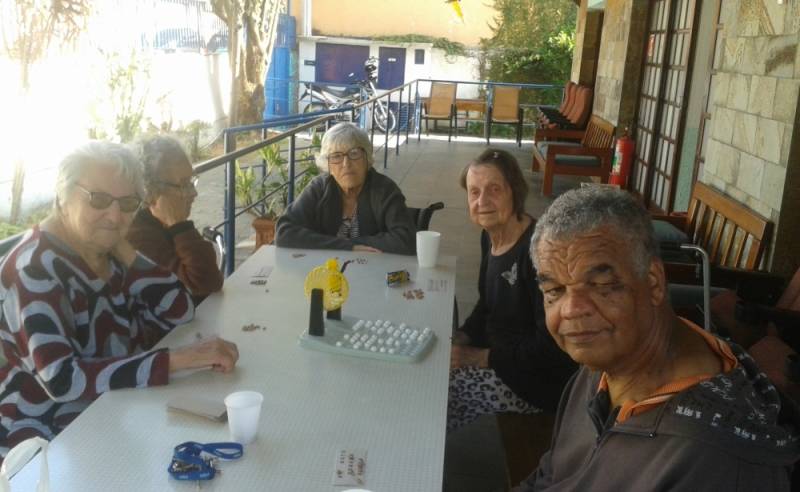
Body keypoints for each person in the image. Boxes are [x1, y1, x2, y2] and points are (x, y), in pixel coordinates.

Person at [516, 186, 800, 491]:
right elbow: (551, 474)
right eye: (554, 291)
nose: (572, 310)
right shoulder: (602, 365)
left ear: (653, 283)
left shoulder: (717, 459)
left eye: (601, 285)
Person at [0, 141, 239, 462]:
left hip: (119, 409)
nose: (114, 215)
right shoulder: (34, 268)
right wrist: (177, 359)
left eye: (127, 203)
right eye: (98, 200)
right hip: (46, 437)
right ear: (62, 197)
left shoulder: (105, 251)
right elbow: (62, 379)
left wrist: (124, 250)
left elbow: (180, 309)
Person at [448, 149, 576, 430]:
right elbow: (487, 305)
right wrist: (464, 335)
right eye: (474, 192)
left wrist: (481, 357)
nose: (482, 201)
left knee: (438, 394)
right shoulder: (490, 236)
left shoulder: (538, 253)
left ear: (514, 192)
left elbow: (554, 346)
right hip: (503, 357)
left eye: (494, 189)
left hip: (536, 382)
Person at [275, 123, 416, 254]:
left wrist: (354, 243)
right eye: (336, 156)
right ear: (328, 164)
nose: (346, 164)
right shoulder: (319, 188)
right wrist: (349, 246)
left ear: (367, 157)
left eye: (354, 153)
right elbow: (284, 232)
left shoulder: (385, 190)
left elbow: (406, 240)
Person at [127, 135, 223, 301]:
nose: (194, 193)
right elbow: (204, 286)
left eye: (192, 181)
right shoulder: (138, 237)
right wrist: (179, 225)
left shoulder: (162, 224)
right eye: (184, 184)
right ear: (150, 191)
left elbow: (212, 282)